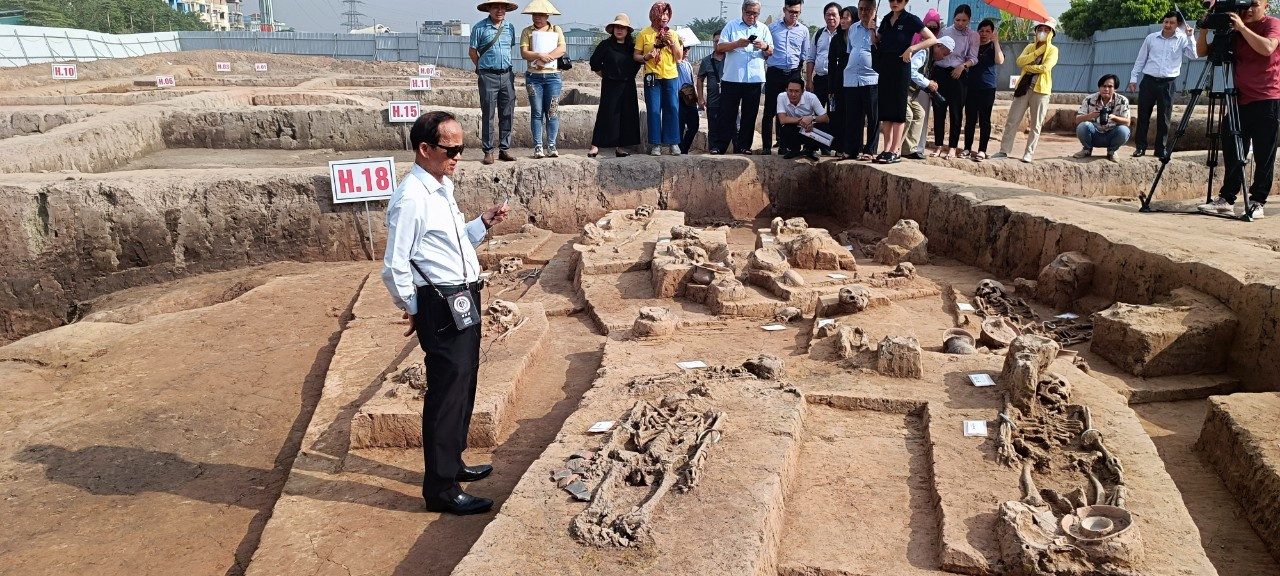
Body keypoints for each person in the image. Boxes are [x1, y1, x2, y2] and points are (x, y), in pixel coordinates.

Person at [381, 111, 511, 516]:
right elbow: (395, 265)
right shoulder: (411, 198)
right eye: (450, 148)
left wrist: (483, 223)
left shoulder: (441, 187)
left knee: (464, 383)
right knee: (445, 394)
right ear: (424, 149)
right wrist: (414, 308)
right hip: (441, 303)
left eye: (461, 148)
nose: (457, 156)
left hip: (462, 298)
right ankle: (440, 489)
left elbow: (452, 242)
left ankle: (452, 463)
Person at [1195, 0, 1280, 219]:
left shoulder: (1272, 24)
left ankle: (1257, 201)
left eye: (1254, 4)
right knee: (1233, 150)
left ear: (1266, 5)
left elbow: (1268, 47)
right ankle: (1227, 199)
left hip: (1267, 98)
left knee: (1264, 154)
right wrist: (1204, 29)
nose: (1248, 10)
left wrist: (1242, 28)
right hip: (1238, 100)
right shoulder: (1234, 29)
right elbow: (1204, 52)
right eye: (1244, 6)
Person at [874, 0, 937, 164]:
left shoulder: (911, 19)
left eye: (899, 0)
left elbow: (932, 39)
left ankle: (895, 150)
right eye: (892, 0)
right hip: (885, 66)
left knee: (898, 109)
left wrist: (912, 49)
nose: (895, 3)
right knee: (886, 109)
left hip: (902, 65)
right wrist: (870, 27)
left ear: (906, 1)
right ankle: (886, 148)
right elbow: (877, 40)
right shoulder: (887, 19)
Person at [1128, 10, 1197, 158]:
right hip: (1149, 81)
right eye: (1166, 22)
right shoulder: (1151, 38)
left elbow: (1193, 55)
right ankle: (1140, 147)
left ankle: (1160, 149)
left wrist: (1191, 37)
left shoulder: (1182, 39)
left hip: (1168, 83)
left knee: (1164, 118)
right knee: (1143, 115)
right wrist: (1133, 78)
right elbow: (1141, 59)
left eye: (1171, 22)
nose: (1168, 25)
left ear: (1178, 24)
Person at [712, 0, 774, 154]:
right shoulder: (731, 26)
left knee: (749, 115)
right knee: (727, 114)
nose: (752, 16)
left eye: (755, 13)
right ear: (742, 11)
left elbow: (771, 50)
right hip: (732, 78)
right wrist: (737, 44)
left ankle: (744, 146)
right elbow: (720, 47)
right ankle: (720, 146)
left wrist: (764, 46)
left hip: (754, 79)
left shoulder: (763, 28)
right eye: (749, 13)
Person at [993, 18, 1058, 163]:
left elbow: (1045, 68)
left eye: (1046, 30)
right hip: (1024, 87)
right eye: (1040, 29)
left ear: (1052, 33)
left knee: (1036, 124)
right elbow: (1019, 62)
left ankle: (1029, 153)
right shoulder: (1030, 47)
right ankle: (1004, 150)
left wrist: (1028, 67)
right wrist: (1037, 52)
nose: (1042, 32)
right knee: (1012, 120)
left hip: (1041, 90)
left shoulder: (1053, 50)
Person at [470, 0, 519, 165]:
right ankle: (488, 151)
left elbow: (508, 48)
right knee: (488, 114)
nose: (500, 11)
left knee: (507, 113)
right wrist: (482, 68)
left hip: (507, 75)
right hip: (487, 76)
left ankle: (504, 149)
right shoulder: (479, 28)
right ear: (489, 9)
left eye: (503, 8)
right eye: (496, 7)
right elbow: (472, 52)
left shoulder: (510, 28)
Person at [588, 13, 643, 158]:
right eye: (617, 27)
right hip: (610, 85)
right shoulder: (605, 45)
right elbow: (594, 63)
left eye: (623, 28)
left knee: (626, 115)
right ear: (612, 29)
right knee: (606, 113)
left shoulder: (632, 47)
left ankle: (621, 147)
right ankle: (595, 146)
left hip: (628, 85)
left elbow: (637, 63)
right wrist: (605, 75)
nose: (619, 30)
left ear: (627, 31)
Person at [635, 2, 684, 156]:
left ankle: (673, 142)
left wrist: (673, 42)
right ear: (654, 14)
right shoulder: (644, 33)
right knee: (654, 110)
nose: (664, 17)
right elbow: (635, 56)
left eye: (667, 14)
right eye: (661, 13)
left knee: (672, 108)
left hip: (670, 76)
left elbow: (679, 57)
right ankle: (655, 144)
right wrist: (646, 57)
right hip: (652, 76)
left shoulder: (673, 34)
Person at [519, 0, 567, 159]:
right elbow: (524, 53)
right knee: (537, 112)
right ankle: (538, 146)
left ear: (547, 15)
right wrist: (539, 56)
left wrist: (544, 60)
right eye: (534, 14)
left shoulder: (556, 29)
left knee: (552, 112)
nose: (537, 18)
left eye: (540, 15)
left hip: (553, 76)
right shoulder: (527, 31)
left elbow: (562, 49)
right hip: (534, 78)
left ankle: (551, 145)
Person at [762, 0, 811, 155]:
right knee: (770, 111)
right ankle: (766, 147)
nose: (794, 15)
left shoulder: (803, 30)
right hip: (775, 72)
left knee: (790, 111)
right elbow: (765, 51)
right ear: (784, 10)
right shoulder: (772, 28)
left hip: (793, 73)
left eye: (797, 12)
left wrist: (799, 74)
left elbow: (804, 54)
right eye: (791, 11)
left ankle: (784, 145)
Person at [931, 4, 978, 158]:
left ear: (969, 20)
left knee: (956, 111)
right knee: (939, 109)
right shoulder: (945, 31)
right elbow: (937, 50)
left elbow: (973, 58)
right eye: (958, 19)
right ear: (953, 18)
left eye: (964, 20)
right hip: (941, 72)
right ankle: (938, 145)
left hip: (959, 74)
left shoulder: (972, 35)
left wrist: (962, 66)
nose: (960, 23)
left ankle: (952, 146)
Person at [839, 0, 880, 161]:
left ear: (874, 10)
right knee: (853, 116)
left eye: (867, 9)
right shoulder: (853, 29)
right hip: (851, 78)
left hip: (871, 77)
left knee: (872, 117)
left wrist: (874, 31)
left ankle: (870, 150)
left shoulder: (880, 27)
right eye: (861, 9)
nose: (863, 12)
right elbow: (851, 50)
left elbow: (881, 49)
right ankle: (851, 149)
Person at [903, 36, 953, 158]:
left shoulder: (930, 58)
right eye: (944, 53)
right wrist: (928, 83)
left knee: (920, 114)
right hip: (903, 89)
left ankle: (909, 150)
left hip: (911, 92)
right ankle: (895, 149)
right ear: (938, 46)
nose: (943, 57)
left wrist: (928, 87)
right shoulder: (923, 52)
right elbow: (911, 71)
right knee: (908, 116)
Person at [961, 18, 1002, 161]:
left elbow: (999, 61)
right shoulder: (972, 46)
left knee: (985, 120)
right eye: (981, 31)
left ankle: (982, 150)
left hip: (987, 88)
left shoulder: (992, 47)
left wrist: (996, 42)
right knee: (970, 119)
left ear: (992, 33)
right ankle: (967, 148)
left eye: (987, 31)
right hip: (971, 87)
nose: (984, 34)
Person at [806, 2, 842, 154]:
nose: (831, 18)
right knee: (816, 115)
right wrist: (809, 80)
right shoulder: (819, 34)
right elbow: (811, 58)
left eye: (834, 15)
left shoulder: (844, 35)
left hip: (837, 82)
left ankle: (829, 146)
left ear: (840, 17)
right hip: (820, 80)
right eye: (828, 14)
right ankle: (813, 146)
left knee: (834, 115)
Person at [1072, 74, 1132, 162]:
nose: (1106, 89)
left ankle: (1112, 151)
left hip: (1112, 135)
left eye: (1110, 86)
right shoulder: (1089, 99)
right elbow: (1077, 120)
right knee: (1083, 126)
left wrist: (1114, 118)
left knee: (1124, 130)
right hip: (1094, 134)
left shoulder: (1122, 100)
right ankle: (1087, 150)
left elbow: (1127, 122)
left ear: (1115, 88)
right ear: (1099, 87)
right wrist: (1090, 116)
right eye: (1103, 86)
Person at [776, 78, 831, 160]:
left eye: (796, 91)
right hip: (795, 128)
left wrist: (812, 119)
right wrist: (802, 120)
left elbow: (826, 118)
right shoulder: (781, 97)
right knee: (785, 128)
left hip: (810, 129)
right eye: (790, 91)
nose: (793, 94)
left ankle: (810, 150)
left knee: (824, 129)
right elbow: (782, 119)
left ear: (802, 91)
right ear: (786, 90)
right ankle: (794, 150)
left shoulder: (811, 97)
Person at [826, 5, 853, 156]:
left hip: (855, 79)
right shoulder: (837, 38)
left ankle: (853, 147)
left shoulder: (858, 36)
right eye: (841, 17)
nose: (842, 21)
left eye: (846, 17)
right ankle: (839, 146)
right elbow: (831, 63)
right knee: (838, 114)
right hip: (839, 79)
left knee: (853, 114)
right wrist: (831, 88)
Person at [697, 30, 727, 143]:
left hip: (729, 99)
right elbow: (700, 79)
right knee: (713, 126)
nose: (718, 44)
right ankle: (714, 148)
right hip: (713, 99)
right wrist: (700, 98)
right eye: (715, 41)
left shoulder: (731, 59)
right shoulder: (706, 61)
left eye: (720, 41)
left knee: (734, 126)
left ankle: (736, 149)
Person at [676, 47, 700, 154]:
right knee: (680, 126)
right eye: (684, 48)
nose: (686, 51)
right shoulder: (676, 64)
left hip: (690, 98)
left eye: (688, 49)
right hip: (679, 97)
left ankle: (684, 149)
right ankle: (681, 149)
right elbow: (677, 60)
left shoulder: (688, 64)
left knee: (694, 126)